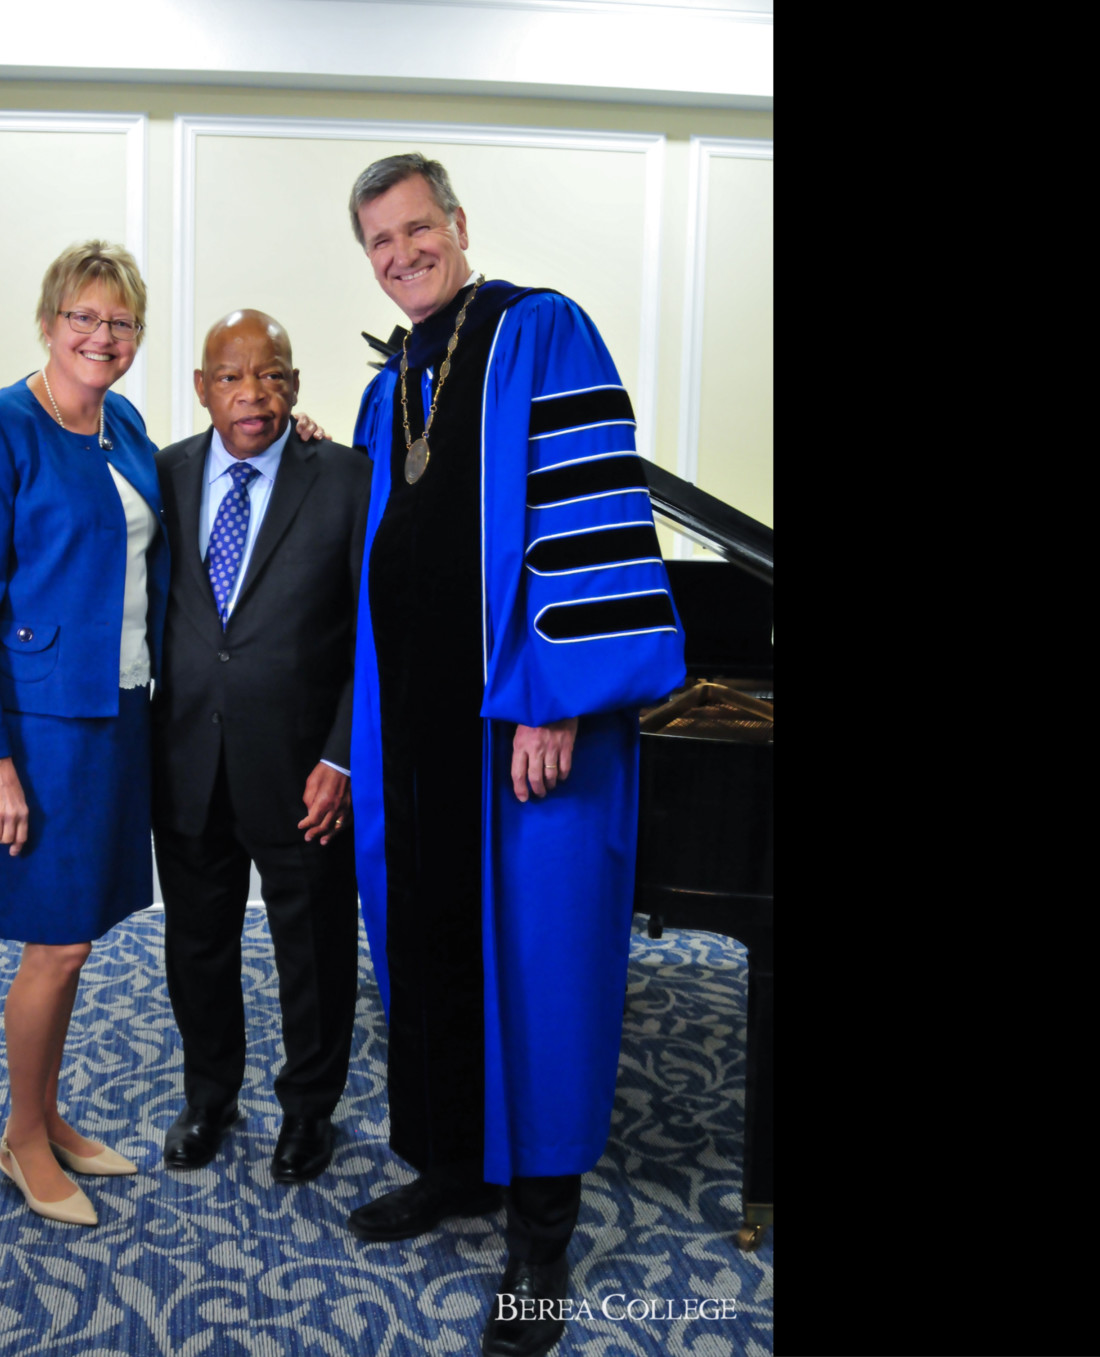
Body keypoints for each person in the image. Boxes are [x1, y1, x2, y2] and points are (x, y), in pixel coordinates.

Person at [340, 156, 687, 1357]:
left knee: (539, 970)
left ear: (457, 225)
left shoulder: (539, 329)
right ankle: (452, 1163)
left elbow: (583, 512)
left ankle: (541, 1233)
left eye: (414, 229)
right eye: (378, 243)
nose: (400, 255)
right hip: (417, 732)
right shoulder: (394, 387)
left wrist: (554, 700)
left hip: (518, 730)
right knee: (429, 946)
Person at [0, 239, 170, 1228]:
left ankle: (47, 1113)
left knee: (80, 938)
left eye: (119, 323)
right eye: (83, 317)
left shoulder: (127, 424)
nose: (100, 337)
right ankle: (21, 1140)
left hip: (121, 712)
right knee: (54, 947)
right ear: (47, 319)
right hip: (37, 732)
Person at [151, 310, 370, 1184]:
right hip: (187, 761)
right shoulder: (162, 473)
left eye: (273, 374)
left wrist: (343, 754)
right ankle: (211, 1094)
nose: (254, 392)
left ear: (296, 386)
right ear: (203, 388)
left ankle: (309, 1110)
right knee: (196, 942)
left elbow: (374, 633)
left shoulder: (347, 479)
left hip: (304, 768)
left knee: (313, 947)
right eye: (233, 376)